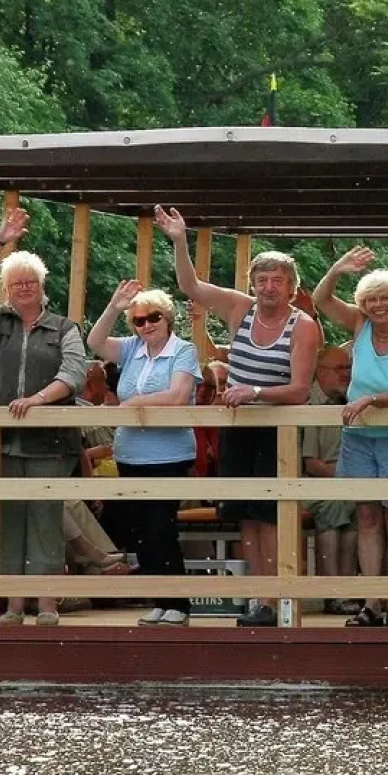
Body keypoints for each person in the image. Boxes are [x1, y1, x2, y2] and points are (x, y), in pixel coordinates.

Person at [154, 206, 320, 628]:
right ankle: (254, 600)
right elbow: (189, 285)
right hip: (239, 426)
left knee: (272, 515)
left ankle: (278, 598)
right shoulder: (238, 308)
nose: (268, 287)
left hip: (277, 428)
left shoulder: (303, 326)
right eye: (262, 280)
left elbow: (300, 390)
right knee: (245, 513)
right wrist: (178, 239)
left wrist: (256, 391)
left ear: (291, 288)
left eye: (277, 281)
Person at [0, 207, 86, 627]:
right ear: (7, 288)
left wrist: (38, 399)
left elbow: (73, 374)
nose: (24, 289)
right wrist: (1, 240)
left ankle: (48, 604)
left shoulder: (64, 327)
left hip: (50, 441)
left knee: (46, 522)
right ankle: (14, 605)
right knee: (9, 521)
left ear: (42, 285)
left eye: (30, 282)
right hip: (0, 440)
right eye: (16, 283)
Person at [314, 248, 388, 626]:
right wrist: (338, 270)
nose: (377, 305)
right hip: (361, 435)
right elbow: (320, 299)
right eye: (370, 299)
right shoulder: (360, 325)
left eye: (385, 299)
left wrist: (369, 399)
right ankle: (371, 602)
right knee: (366, 516)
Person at [87, 280, 203, 625]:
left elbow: (178, 396)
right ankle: (160, 599)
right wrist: (113, 306)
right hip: (130, 454)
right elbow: (93, 342)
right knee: (140, 530)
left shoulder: (183, 350)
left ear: (167, 318)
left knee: (161, 527)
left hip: (169, 454)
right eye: (139, 320)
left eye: (153, 317)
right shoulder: (131, 349)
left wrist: (133, 403)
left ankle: (179, 604)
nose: (147, 325)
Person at [299, 345, 359, 614]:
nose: (346, 374)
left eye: (348, 368)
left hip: (343, 481)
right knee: (335, 505)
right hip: (309, 483)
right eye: (339, 369)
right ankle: (333, 593)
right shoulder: (309, 404)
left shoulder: (348, 401)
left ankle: (351, 591)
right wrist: (344, 479)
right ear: (320, 373)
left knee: (361, 507)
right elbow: (311, 463)